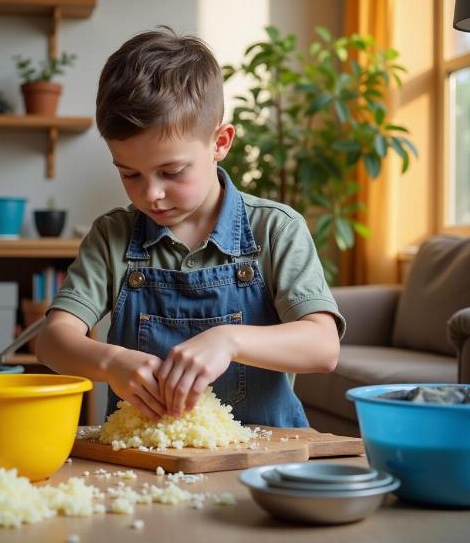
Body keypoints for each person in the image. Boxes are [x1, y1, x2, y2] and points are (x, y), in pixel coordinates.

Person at [36, 26, 345, 427]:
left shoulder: (275, 229)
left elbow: (323, 347)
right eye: (130, 174)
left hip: (267, 459)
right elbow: (53, 340)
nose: (151, 195)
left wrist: (229, 340)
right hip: (148, 465)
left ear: (220, 143)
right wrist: (110, 361)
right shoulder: (112, 236)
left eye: (171, 171)